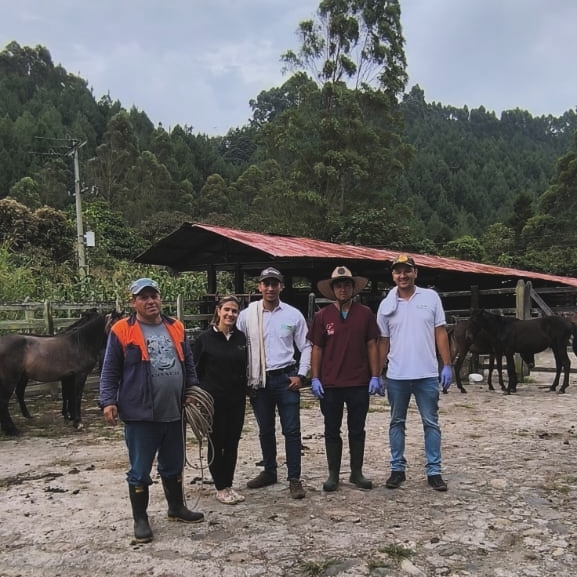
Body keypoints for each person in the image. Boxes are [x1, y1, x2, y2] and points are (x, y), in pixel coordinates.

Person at [99, 278, 204, 544]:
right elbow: (110, 369)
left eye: (153, 296)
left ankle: (176, 508)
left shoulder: (175, 327)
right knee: (140, 469)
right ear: (133, 302)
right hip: (140, 414)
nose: (150, 301)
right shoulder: (122, 330)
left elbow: (188, 363)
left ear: (160, 298)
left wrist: (192, 388)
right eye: (143, 297)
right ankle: (141, 519)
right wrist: (108, 401)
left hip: (175, 411)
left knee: (173, 464)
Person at [376, 255, 452, 492]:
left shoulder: (430, 298)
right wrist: (377, 373)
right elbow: (383, 341)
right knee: (396, 422)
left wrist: (446, 364)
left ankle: (434, 470)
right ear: (393, 276)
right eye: (398, 272)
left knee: (431, 423)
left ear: (415, 273)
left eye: (407, 271)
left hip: (426, 373)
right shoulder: (386, 305)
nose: (403, 276)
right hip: (397, 374)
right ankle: (397, 468)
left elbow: (440, 332)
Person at [236, 267, 312, 499]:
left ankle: (294, 478)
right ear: (259, 287)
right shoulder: (247, 315)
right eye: (266, 284)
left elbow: (306, 346)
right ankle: (269, 471)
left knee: (292, 430)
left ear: (281, 286)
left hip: (286, 378)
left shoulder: (293, 315)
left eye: (274, 284)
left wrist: (302, 374)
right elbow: (238, 347)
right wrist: (243, 378)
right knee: (265, 429)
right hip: (259, 380)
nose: (270, 288)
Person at [307, 266, 383, 492]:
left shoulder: (365, 314)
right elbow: (317, 348)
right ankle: (333, 474)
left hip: (359, 381)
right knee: (332, 429)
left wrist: (376, 375)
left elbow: (372, 345)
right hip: (331, 384)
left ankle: (356, 472)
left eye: (347, 284)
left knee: (357, 429)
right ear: (333, 289)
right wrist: (315, 377)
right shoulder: (322, 316)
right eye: (339, 285)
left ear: (353, 288)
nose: (343, 288)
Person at [193, 295, 247, 505]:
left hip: (236, 400)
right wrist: (195, 396)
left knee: (232, 442)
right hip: (212, 401)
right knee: (216, 443)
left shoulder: (241, 339)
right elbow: (196, 371)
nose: (230, 314)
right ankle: (220, 486)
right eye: (227, 310)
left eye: (234, 311)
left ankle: (229, 484)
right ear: (218, 311)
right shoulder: (204, 339)